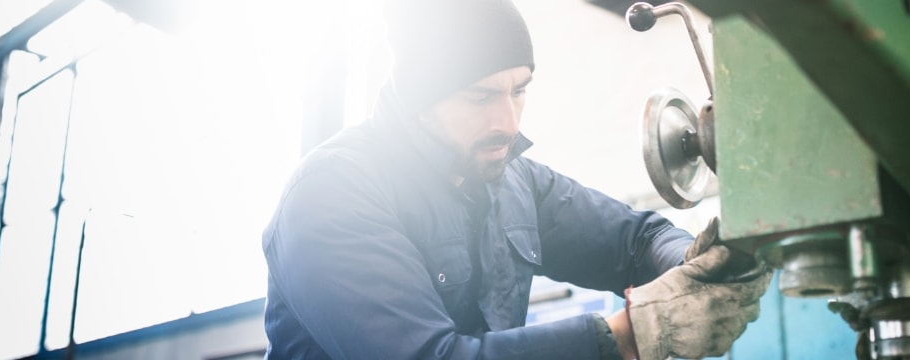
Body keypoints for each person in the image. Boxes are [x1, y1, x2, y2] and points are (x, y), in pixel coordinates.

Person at [260, 1, 772, 359]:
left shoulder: (512, 182)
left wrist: (692, 264)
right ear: (420, 96)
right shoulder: (332, 193)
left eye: (519, 90)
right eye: (480, 97)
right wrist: (634, 333)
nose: (507, 122)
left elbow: (635, 240)